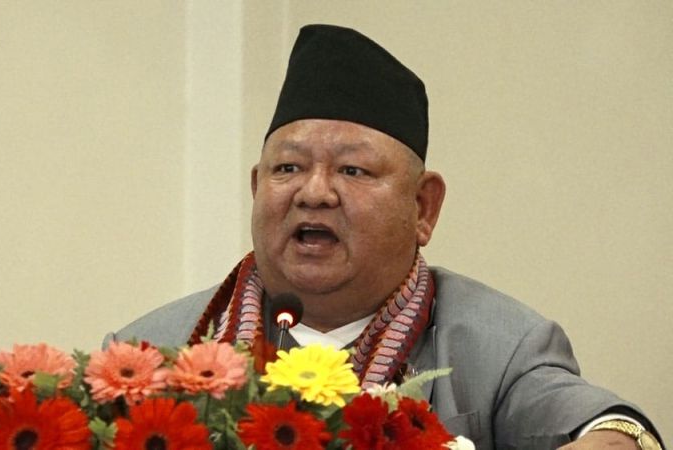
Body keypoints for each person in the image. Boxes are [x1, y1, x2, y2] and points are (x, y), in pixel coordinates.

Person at [106, 24, 663, 449]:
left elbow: (613, 431)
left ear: (423, 207)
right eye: (288, 168)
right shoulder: (148, 354)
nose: (314, 193)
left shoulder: (498, 346)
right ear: (257, 188)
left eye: (353, 171)